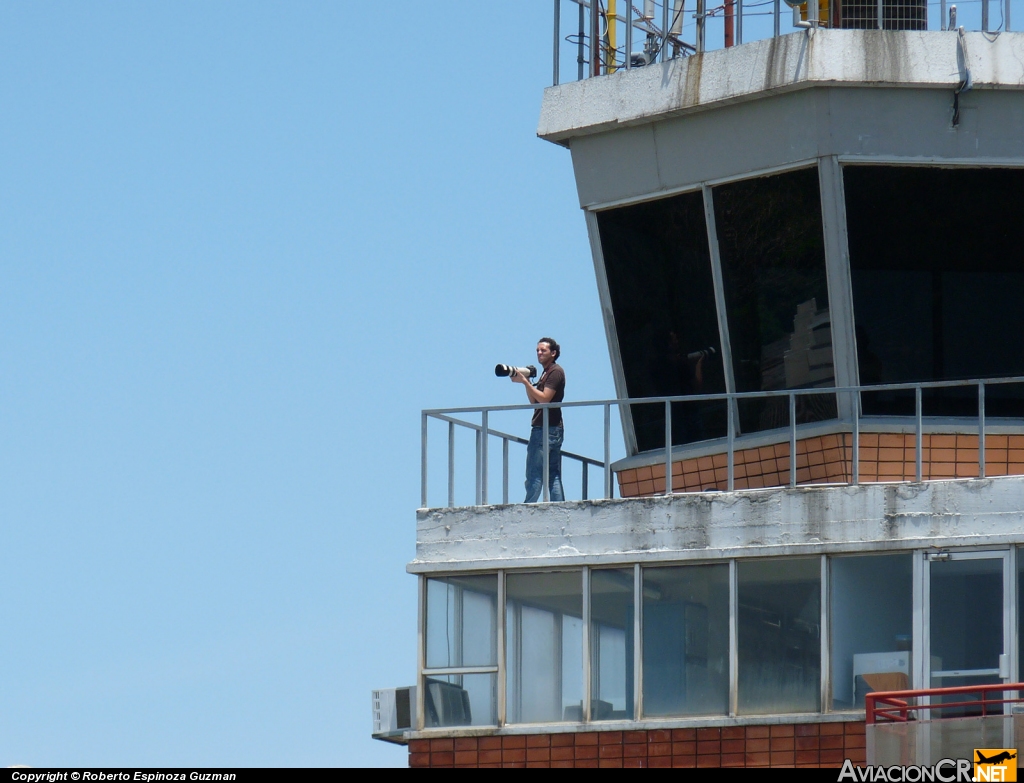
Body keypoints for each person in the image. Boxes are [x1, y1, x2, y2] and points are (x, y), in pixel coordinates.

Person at [511, 337, 565, 503]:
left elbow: (544, 399)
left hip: (545, 429)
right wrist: (526, 383)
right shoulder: (546, 372)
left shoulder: (555, 372)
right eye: (537, 350)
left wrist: (526, 382)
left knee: (535, 474)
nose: (539, 353)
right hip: (552, 428)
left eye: (543, 350)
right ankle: (560, 508)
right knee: (552, 474)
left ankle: (528, 508)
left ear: (553, 353)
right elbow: (534, 402)